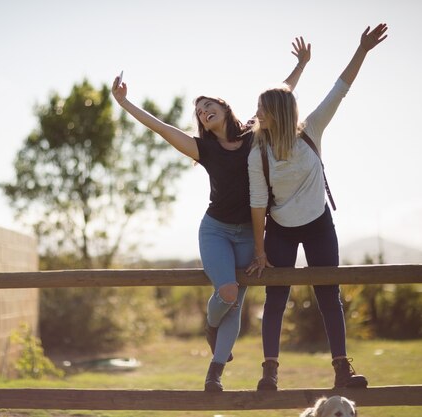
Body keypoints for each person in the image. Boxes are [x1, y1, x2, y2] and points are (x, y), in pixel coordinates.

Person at [111, 38, 310, 392]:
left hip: (250, 232)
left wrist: (302, 64)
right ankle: (209, 323)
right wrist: (125, 102)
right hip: (216, 230)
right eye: (199, 111)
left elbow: (281, 95)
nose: (203, 111)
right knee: (229, 294)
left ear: (224, 106)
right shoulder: (202, 148)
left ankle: (214, 373)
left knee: (235, 305)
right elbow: (159, 127)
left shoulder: (253, 133)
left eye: (208, 105)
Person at [245, 23, 388, 390]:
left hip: (318, 223)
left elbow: (340, 89)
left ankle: (342, 368)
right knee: (276, 297)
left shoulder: (311, 129)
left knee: (329, 294)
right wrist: (260, 252)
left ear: (275, 113)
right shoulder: (257, 151)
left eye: (262, 108)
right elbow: (258, 203)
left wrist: (362, 50)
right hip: (279, 228)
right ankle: (269, 372)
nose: (256, 113)